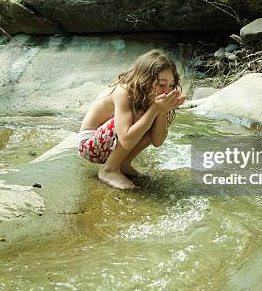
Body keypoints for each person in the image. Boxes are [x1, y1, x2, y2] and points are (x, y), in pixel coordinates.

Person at [78, 50, 187, 189]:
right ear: (146, 79)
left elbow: (157, 141)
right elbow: (126, 140)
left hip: (110, 144)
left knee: (149, 118)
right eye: (161, 84)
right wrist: (154, 110)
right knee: (142, 116)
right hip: (90, 145)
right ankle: (109, 170)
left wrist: (162, 111)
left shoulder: (151, 97)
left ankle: (123, 164)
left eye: (171, 85)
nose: (167, 91)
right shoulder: (123, 91)